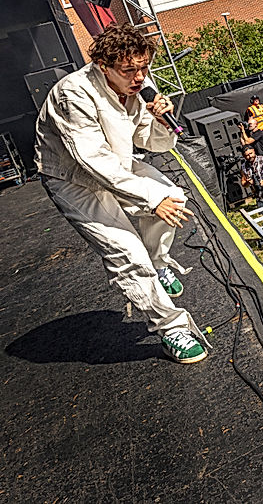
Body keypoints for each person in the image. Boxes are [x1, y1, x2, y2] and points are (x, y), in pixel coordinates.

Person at [35, 23, 209, 364]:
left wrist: (160, 122)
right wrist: (149, 199)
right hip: (73, 179)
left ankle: (158, 264)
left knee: (173, 197)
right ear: (104, 67)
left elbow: (151, 143)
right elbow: (92, 160)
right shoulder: (73, 94)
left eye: (144, 68)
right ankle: (171, 326)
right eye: (130, 70)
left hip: (117, 162)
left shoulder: (139, 85)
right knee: (127, 252)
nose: (140, 77)